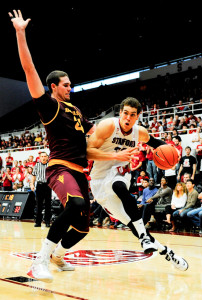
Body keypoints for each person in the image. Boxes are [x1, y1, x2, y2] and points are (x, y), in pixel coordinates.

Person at [9, 10, 94, 283]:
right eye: (66, 85)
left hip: (80, 171)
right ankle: (39, 262)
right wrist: (21, 34)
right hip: (59, 167)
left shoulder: (77, 110)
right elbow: (29, 69)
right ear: (54, 86)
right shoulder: (49, 106)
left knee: (83, 227)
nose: (71, 88)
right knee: (75, 203)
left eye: (71, 84)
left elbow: (97, 136)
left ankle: (58, 256)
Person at [87, 96, 188, 271]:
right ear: (120, 113)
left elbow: (156, 143)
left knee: (119, 184)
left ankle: (143, 237)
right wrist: (115, 156)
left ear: (138, 116)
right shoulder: (108, 126)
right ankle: (166, 251)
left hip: (120, 172)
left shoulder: (139, 132)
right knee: (132, 224)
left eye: (132, 115)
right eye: (125, 113)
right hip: (98, 180)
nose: (128, 118)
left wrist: (172, 152)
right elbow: (88, 152)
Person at [30, 152, 52, 227]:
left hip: (48, 186)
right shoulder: (37, 165)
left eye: (44, 156)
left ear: (47, 157)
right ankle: (38, 222)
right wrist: (32, 184)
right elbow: (33, 176)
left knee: (48, 204)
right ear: (39, 157)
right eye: (42, 156)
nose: (43, 157)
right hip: (39, 185)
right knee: (39, 204)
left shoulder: (50, 165)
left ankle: (47, 221)